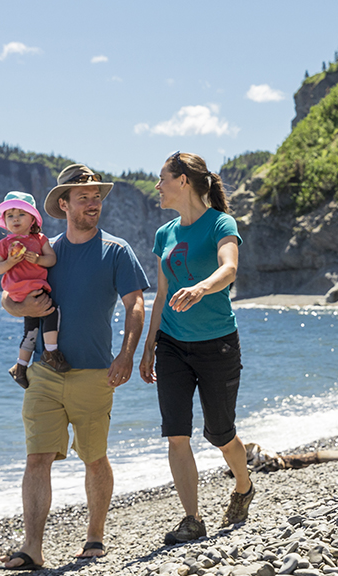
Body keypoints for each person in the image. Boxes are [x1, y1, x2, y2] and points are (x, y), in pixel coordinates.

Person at [0, 164, 148, 570]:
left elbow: (134, 304)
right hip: (45, 372)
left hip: (94, 372)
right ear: (63, 204)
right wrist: (17, 306)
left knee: (94, 458)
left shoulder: (116, 250)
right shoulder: (45, 250)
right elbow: (12, 293)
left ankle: (95, 537)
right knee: (36, 458)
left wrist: (126, 354)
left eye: (96, 196)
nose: (93, 202)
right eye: (83, 196)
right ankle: (32, 547)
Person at [138, 151, 254, 545]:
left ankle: (243, 485)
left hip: (217, 344)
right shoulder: (164, 234)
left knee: (220, 434)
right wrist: (149, 346)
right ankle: (192, 519)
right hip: (171, 343)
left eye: (163, 178)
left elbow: (229, 268)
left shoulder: (220, 223)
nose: (158, 186)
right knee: (176, 432)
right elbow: (160, 295)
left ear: (183, 180)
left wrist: (202, 287)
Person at [0, 192, 69, 390]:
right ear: (5, 222)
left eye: (21, 214)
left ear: (33, 219)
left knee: (31, 330)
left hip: (27, 293)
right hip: (25, 291)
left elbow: (50, 259)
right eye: (10, 216)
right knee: (52, 311)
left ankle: (21, 365)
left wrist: (37, 259)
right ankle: (51, 352)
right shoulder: (4, 244)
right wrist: (10, 261)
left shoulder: (39, 239)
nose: (15, 219)